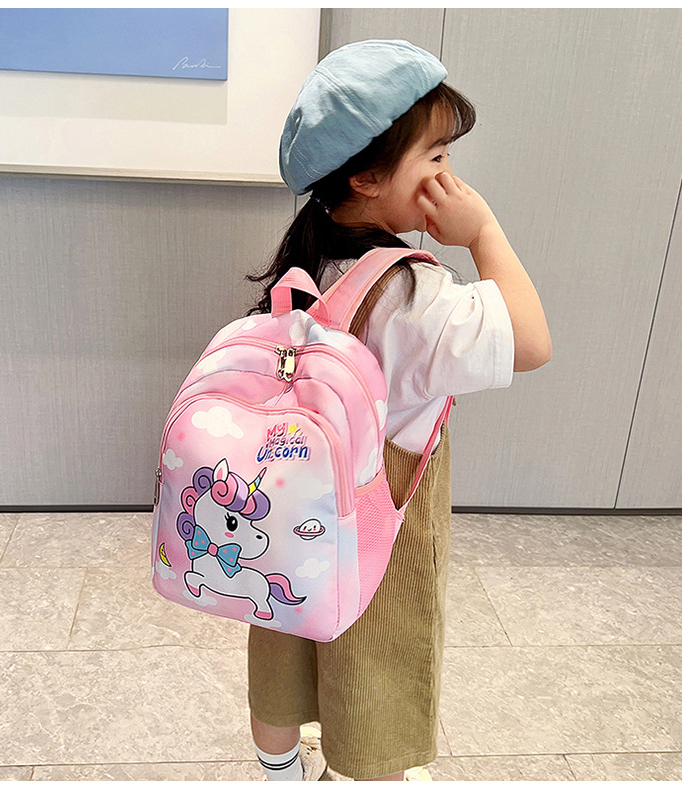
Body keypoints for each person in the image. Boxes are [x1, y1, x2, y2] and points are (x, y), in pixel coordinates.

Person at [243, 39, 551, 782]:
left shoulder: (309, 256)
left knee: (285, 631)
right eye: (436, 157)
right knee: (376, 655)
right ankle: (372, 773)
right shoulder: (414, 295)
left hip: (291, 498)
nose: (451, 177)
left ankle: (279, 769)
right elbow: (533, 342)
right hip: (380, 513)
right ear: (367, 177)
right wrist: (484, 233)